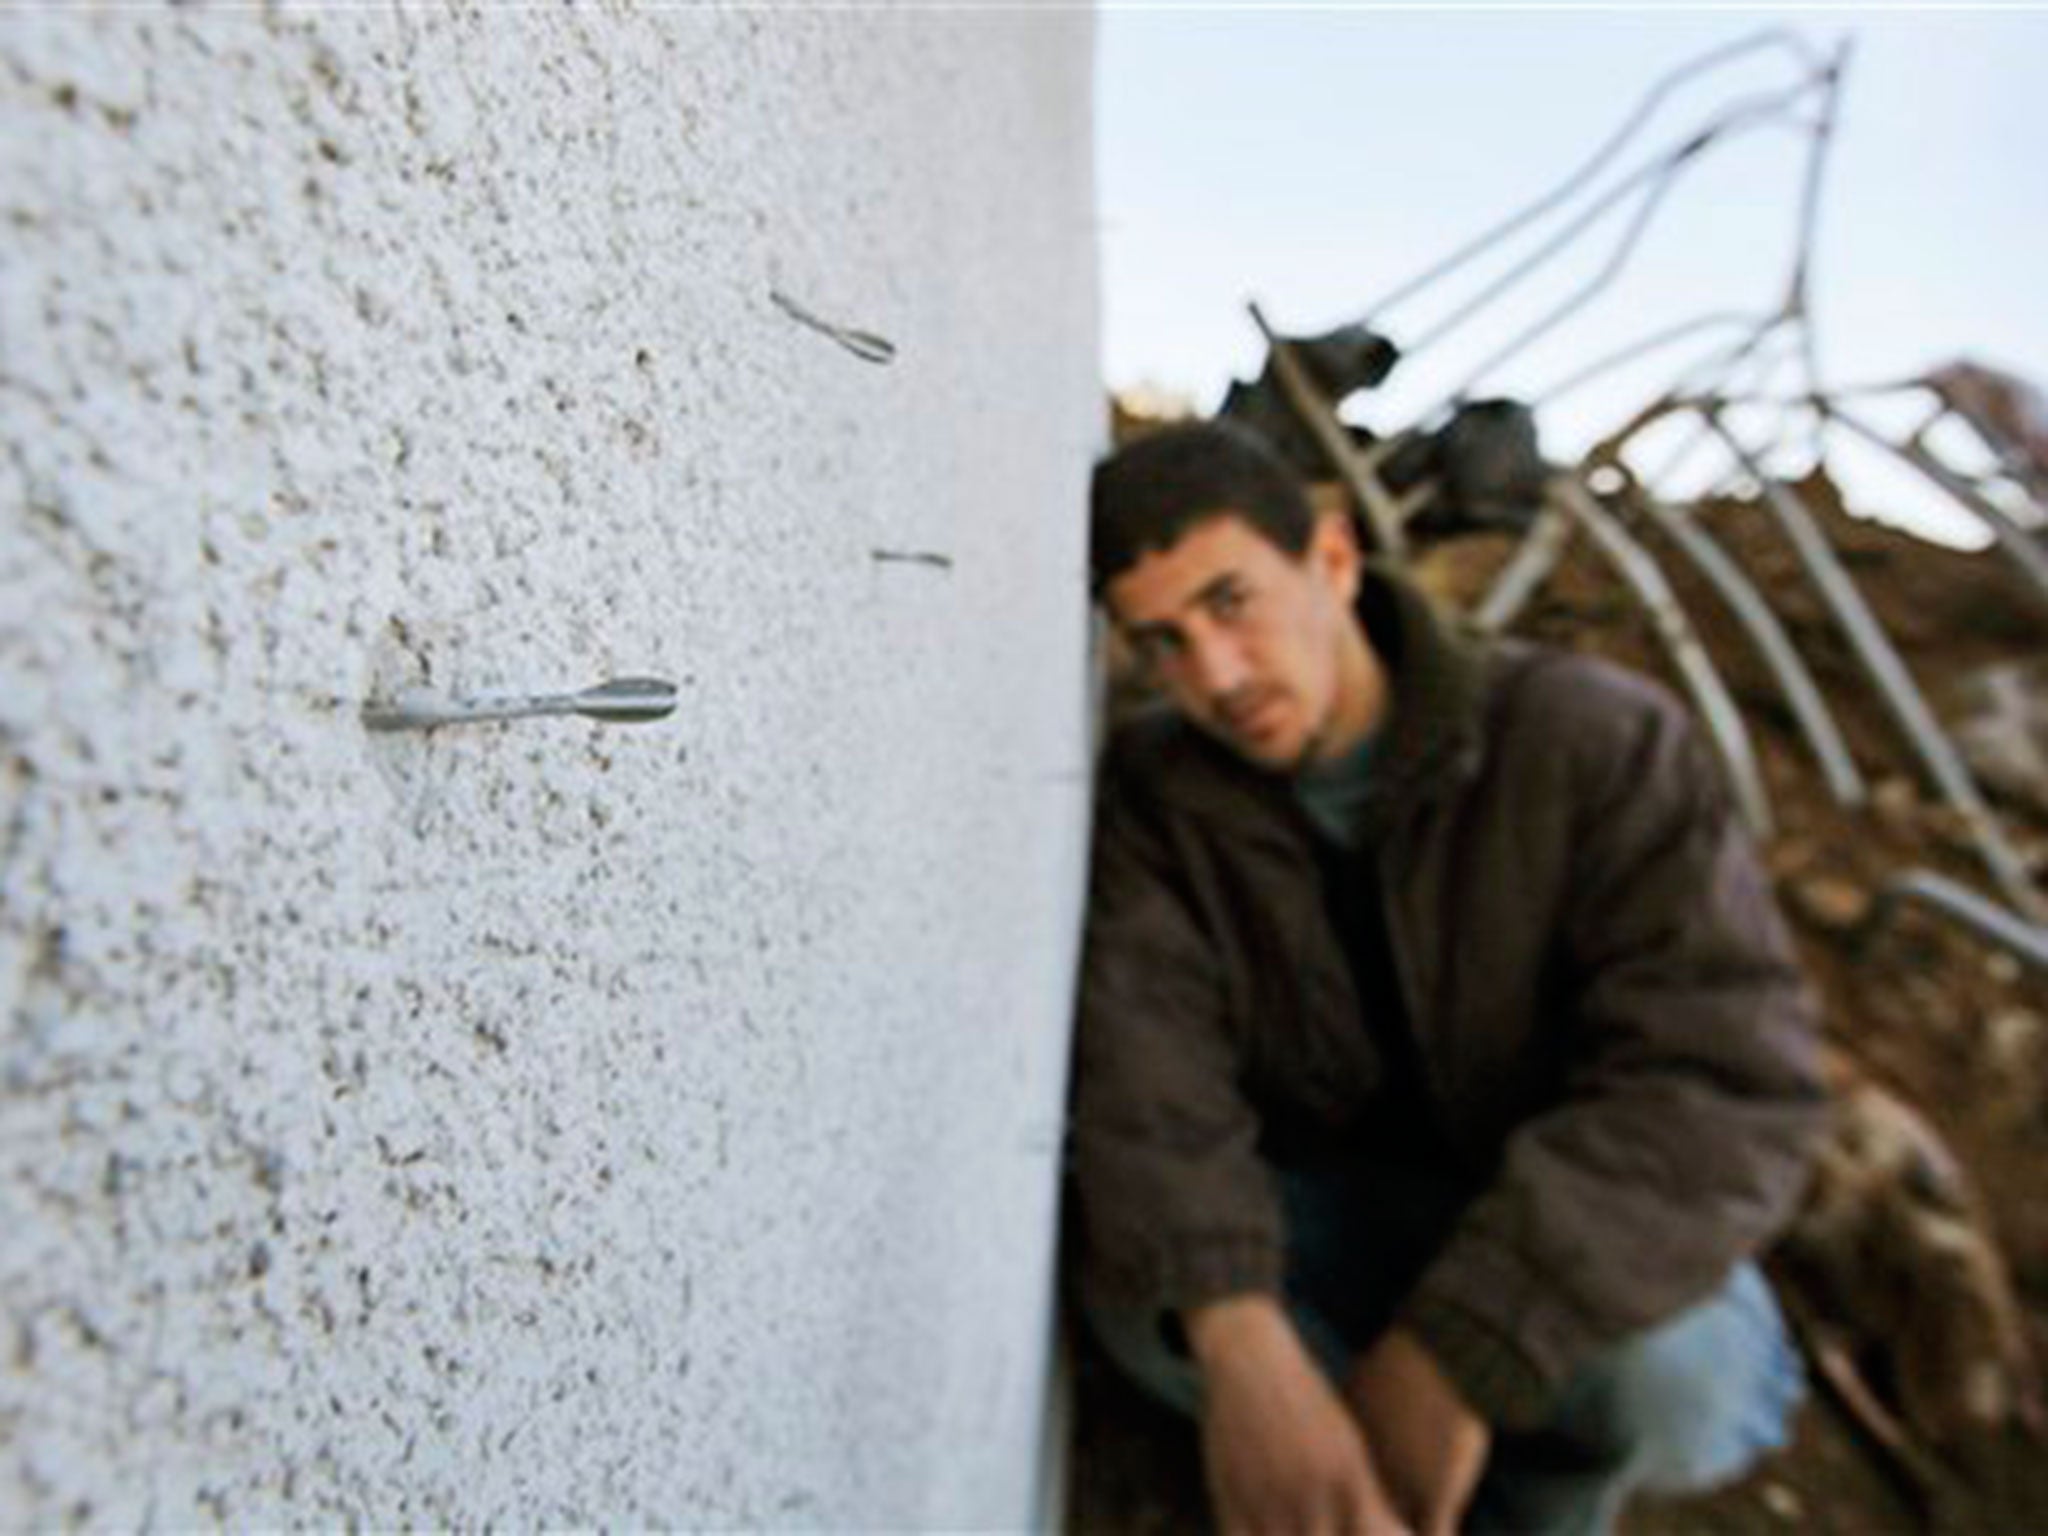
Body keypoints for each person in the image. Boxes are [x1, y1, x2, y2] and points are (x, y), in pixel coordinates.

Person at [1070, 421, 1825, 1536]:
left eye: (1229, 602)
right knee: (1150, 1305)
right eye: (1161, 642)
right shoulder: (1157, 798)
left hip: (1553, 1222)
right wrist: (1241, 1343)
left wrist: (1459, 1352)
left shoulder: (1589, 743)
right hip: (1336, 1219)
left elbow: (1718, 1083)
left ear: (1330, 559)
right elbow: (1148, 1085)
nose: (1213, 677)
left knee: (1680, 1383)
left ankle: (1491, 1484)